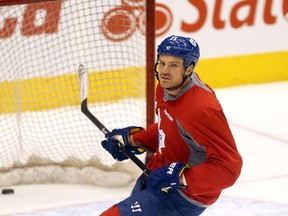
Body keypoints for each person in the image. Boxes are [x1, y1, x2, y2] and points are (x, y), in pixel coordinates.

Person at [100, 35, 243, 216]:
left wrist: (181, 177)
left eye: (174, 65)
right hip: (157, 175)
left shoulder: (202, 108)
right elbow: (170, 126)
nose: (164, 71)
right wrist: (134, 140)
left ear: (189, 69)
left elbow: (229, 168)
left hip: (182, 196)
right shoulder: (165, 87)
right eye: (162, 63)